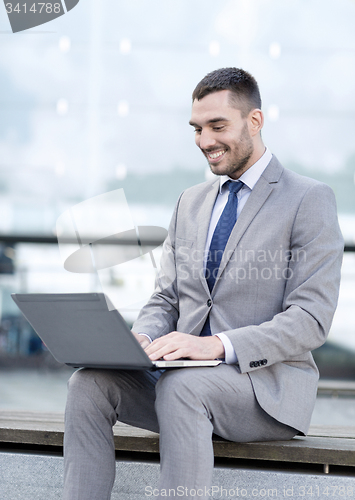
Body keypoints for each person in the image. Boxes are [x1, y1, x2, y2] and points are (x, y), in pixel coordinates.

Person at [63, 67, 344, 500]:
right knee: (89, 382)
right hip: (181, 380)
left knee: (184, 386)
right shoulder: (190, 201)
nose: (204, 141)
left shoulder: (309, 199)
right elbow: (166, 297)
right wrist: (141, 337)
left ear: (255, 121)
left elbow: (311, 319)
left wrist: (217, 346)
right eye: (197, 128)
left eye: (217, 126)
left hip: (265, 391)